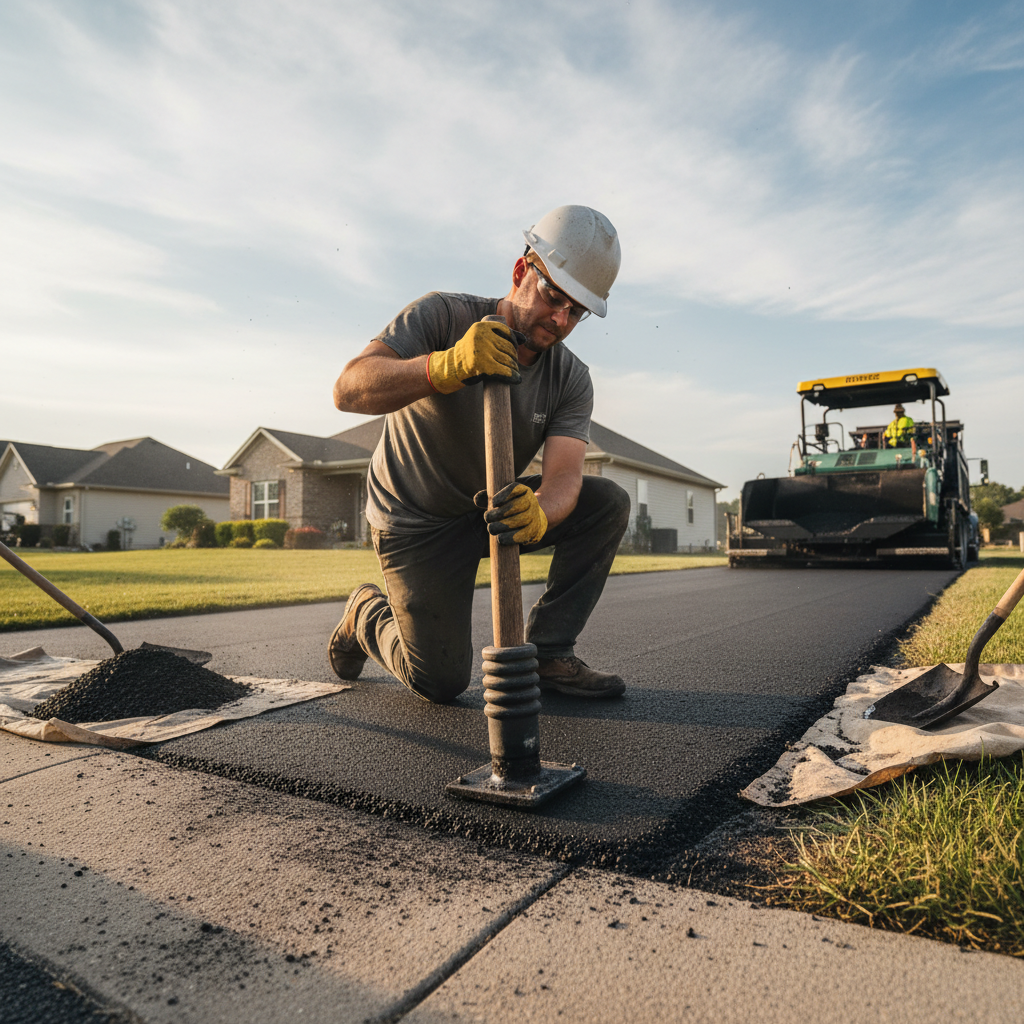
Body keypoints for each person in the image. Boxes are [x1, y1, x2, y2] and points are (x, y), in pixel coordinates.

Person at [329, 206, 631, 703]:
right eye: (554, 296)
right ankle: (365, 613)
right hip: (414, 521)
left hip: (492, 510)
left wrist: (540, 513)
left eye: (576, 312)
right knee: (440, 682)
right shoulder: (442, 315)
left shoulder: (571, 379)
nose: (560, 319)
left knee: (608, 502)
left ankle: (550, 652)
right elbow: (348, 390)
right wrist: (444, 367)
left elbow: (564, 478)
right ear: (520, 272)